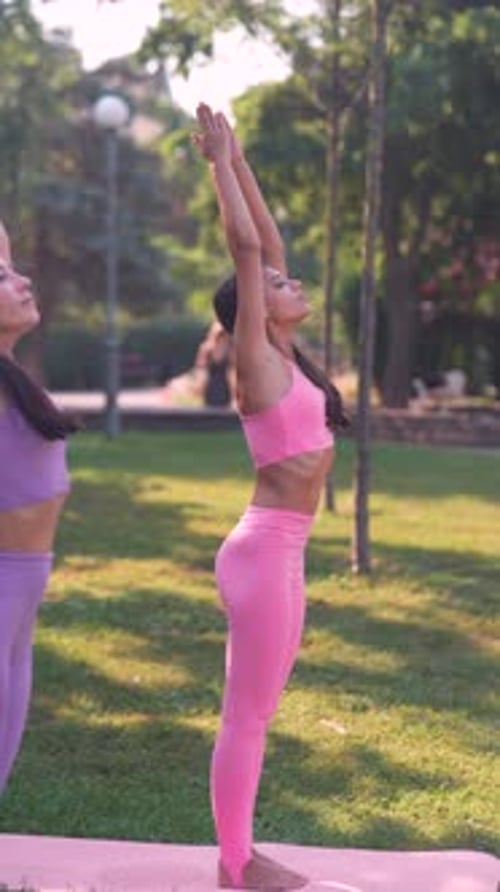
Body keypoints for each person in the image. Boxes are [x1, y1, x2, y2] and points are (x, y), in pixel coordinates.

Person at [193, 104, 348, 889]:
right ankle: (236, 864)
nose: (290, 281)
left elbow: (270, 242)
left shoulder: (290, 354)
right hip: (262, 552)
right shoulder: (253, 358)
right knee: (246, 718)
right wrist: (217, 164)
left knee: (256, 713)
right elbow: (250, 249)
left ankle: (239, 855)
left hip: (282, 551)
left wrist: (244, 162)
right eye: (276, 285)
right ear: (252, 310)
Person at [0, 220, 79, 794]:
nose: (22, 280)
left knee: (7, 736)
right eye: (3, 278)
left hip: (27, 585)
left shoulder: (15, 377)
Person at [195, 320, 234, 408]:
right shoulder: (206, 350)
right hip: (210, 387)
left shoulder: (230, 350)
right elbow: (201, 369)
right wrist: (200, 384)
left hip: (224, 388)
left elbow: (232, 372)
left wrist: (234, 395)